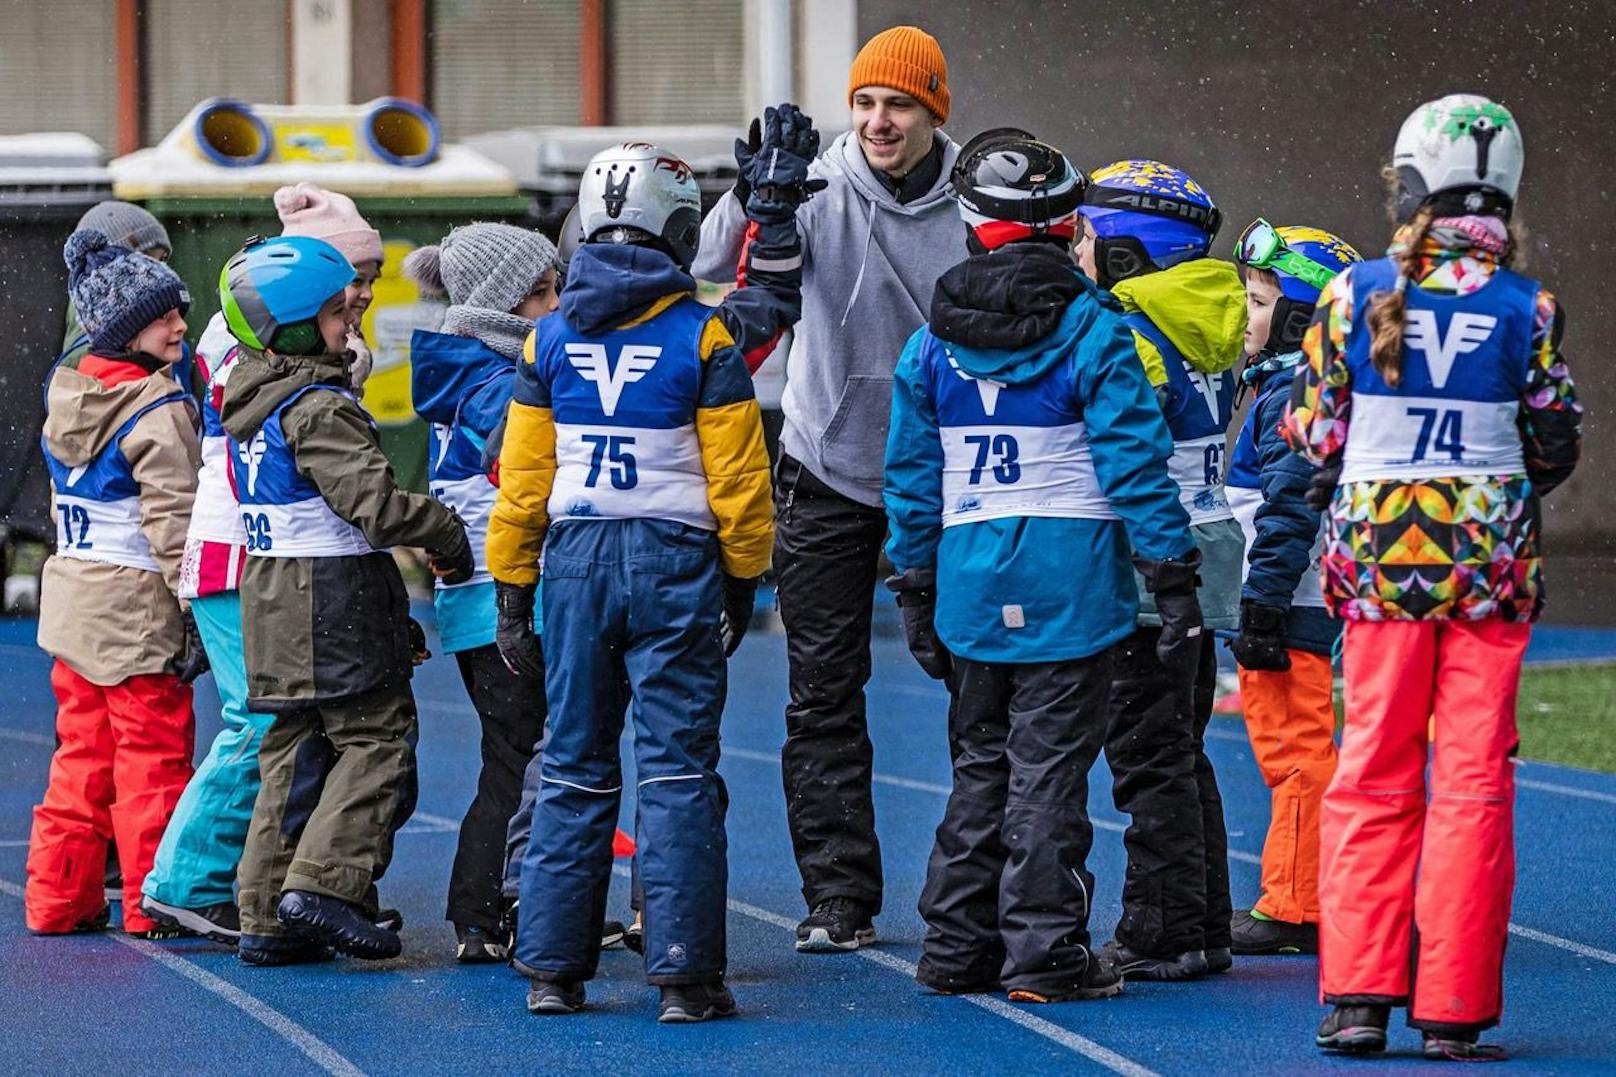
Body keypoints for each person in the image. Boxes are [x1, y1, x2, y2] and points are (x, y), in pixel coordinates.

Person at [488, 116, 812, 1020]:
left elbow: (523, 485)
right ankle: (683, 975)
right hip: (675, 562)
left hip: (576, 561)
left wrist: (514, 594)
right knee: (676, 770)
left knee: (575, 765)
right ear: (679, 233)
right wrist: (743, 581)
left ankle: (553, 968)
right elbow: (742, 485)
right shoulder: (705, 341)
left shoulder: (544, 342)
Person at [1286, 95, 1580, 1060]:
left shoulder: (1350, 292)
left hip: (1377, 572)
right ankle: (1454, 1008)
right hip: (1489, 574)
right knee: (1473, 783)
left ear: (1410, 185)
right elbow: (1554, 440)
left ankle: (1359, 997)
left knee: (1371, 771)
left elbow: (1318, 435)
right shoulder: (1527, 306)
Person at [885, 130, 1204, 1003]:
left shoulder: (928, 346)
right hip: (1073, 588)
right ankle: (1048, 952)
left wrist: (914, 584)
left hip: (971, 581)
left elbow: (913, 479)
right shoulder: (1095, 331)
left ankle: (955, 946)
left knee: (981, 766)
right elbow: (1135, 463)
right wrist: (1171, 575)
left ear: (971, 224)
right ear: (1068, 229)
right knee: (1049, 774)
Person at [692, 23, 965, 953]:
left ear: (933, 109)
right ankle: (838, 898)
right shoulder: (813, 180)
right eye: (865, 103)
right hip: (827, 462)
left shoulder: (977, 197)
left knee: (977, 683)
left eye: (899, 103)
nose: (879, 120)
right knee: (821, 693)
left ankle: (978, 890)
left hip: (953, 473)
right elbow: (705, 255)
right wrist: (752, 191)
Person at [140, 185, 386, 943]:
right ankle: (184, 880)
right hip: (238, 553)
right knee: (259, 724)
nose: (365, 297)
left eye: (371, 280)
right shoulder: (255, 337)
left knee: (290, 724)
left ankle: (288, 885)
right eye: (353, 281)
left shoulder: (289, 332)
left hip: (258, 553)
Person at [218, 235, 473, 965]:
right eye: (336, 313)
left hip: (270, 597)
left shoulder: (249, 395)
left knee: (292, 752)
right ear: (297, 328)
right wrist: (446, 531)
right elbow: (375, 508)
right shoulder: (319, 405)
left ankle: (266, 914)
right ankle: (323, 888)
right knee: (377, 739)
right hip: (327, 598)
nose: (350, 317)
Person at [1075, 159, 1245, 979]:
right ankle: (1205, 921)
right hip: (1206, 550)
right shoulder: (1208, 320)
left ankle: (1161, 931)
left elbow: (1120, 456)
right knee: (1183, 747)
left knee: (1146, 755)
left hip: (1151, 565)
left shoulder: (1129, 333)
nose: (1075, 251)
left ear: (1124, 257)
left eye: (1086, 239)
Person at [27, 229, 205, 938]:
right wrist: (193, 606)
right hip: (134, 610)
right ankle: (149, 903)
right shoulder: (157, 408)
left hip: (72, 600)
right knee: (153, 758)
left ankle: (56, 899)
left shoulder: (65, 392)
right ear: (130, 327)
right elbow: (174, 526)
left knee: (80, 759)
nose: (181, 327)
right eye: (165, 316)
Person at [405, 221, 561, 962]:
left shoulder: (462, 370)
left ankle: (493, 904)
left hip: (471, 595)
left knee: (511, 753)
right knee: (520, 754)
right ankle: (489, 904)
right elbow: (529, 472)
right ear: (500, 302)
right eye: (540, 292)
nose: (556, 304)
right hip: (497, 598)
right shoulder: (497, 383)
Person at [1224, 222, 1360, 957]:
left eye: (1254, 301)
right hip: (1294, 598)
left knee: (1297, 754)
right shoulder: (1290, 388)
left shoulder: (1292, 398)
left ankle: (1297, 905)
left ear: (1299, 319)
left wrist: (1264, 604)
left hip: (1289, 603)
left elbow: (1289, 506)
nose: (1242, 317)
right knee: (1296, 751)